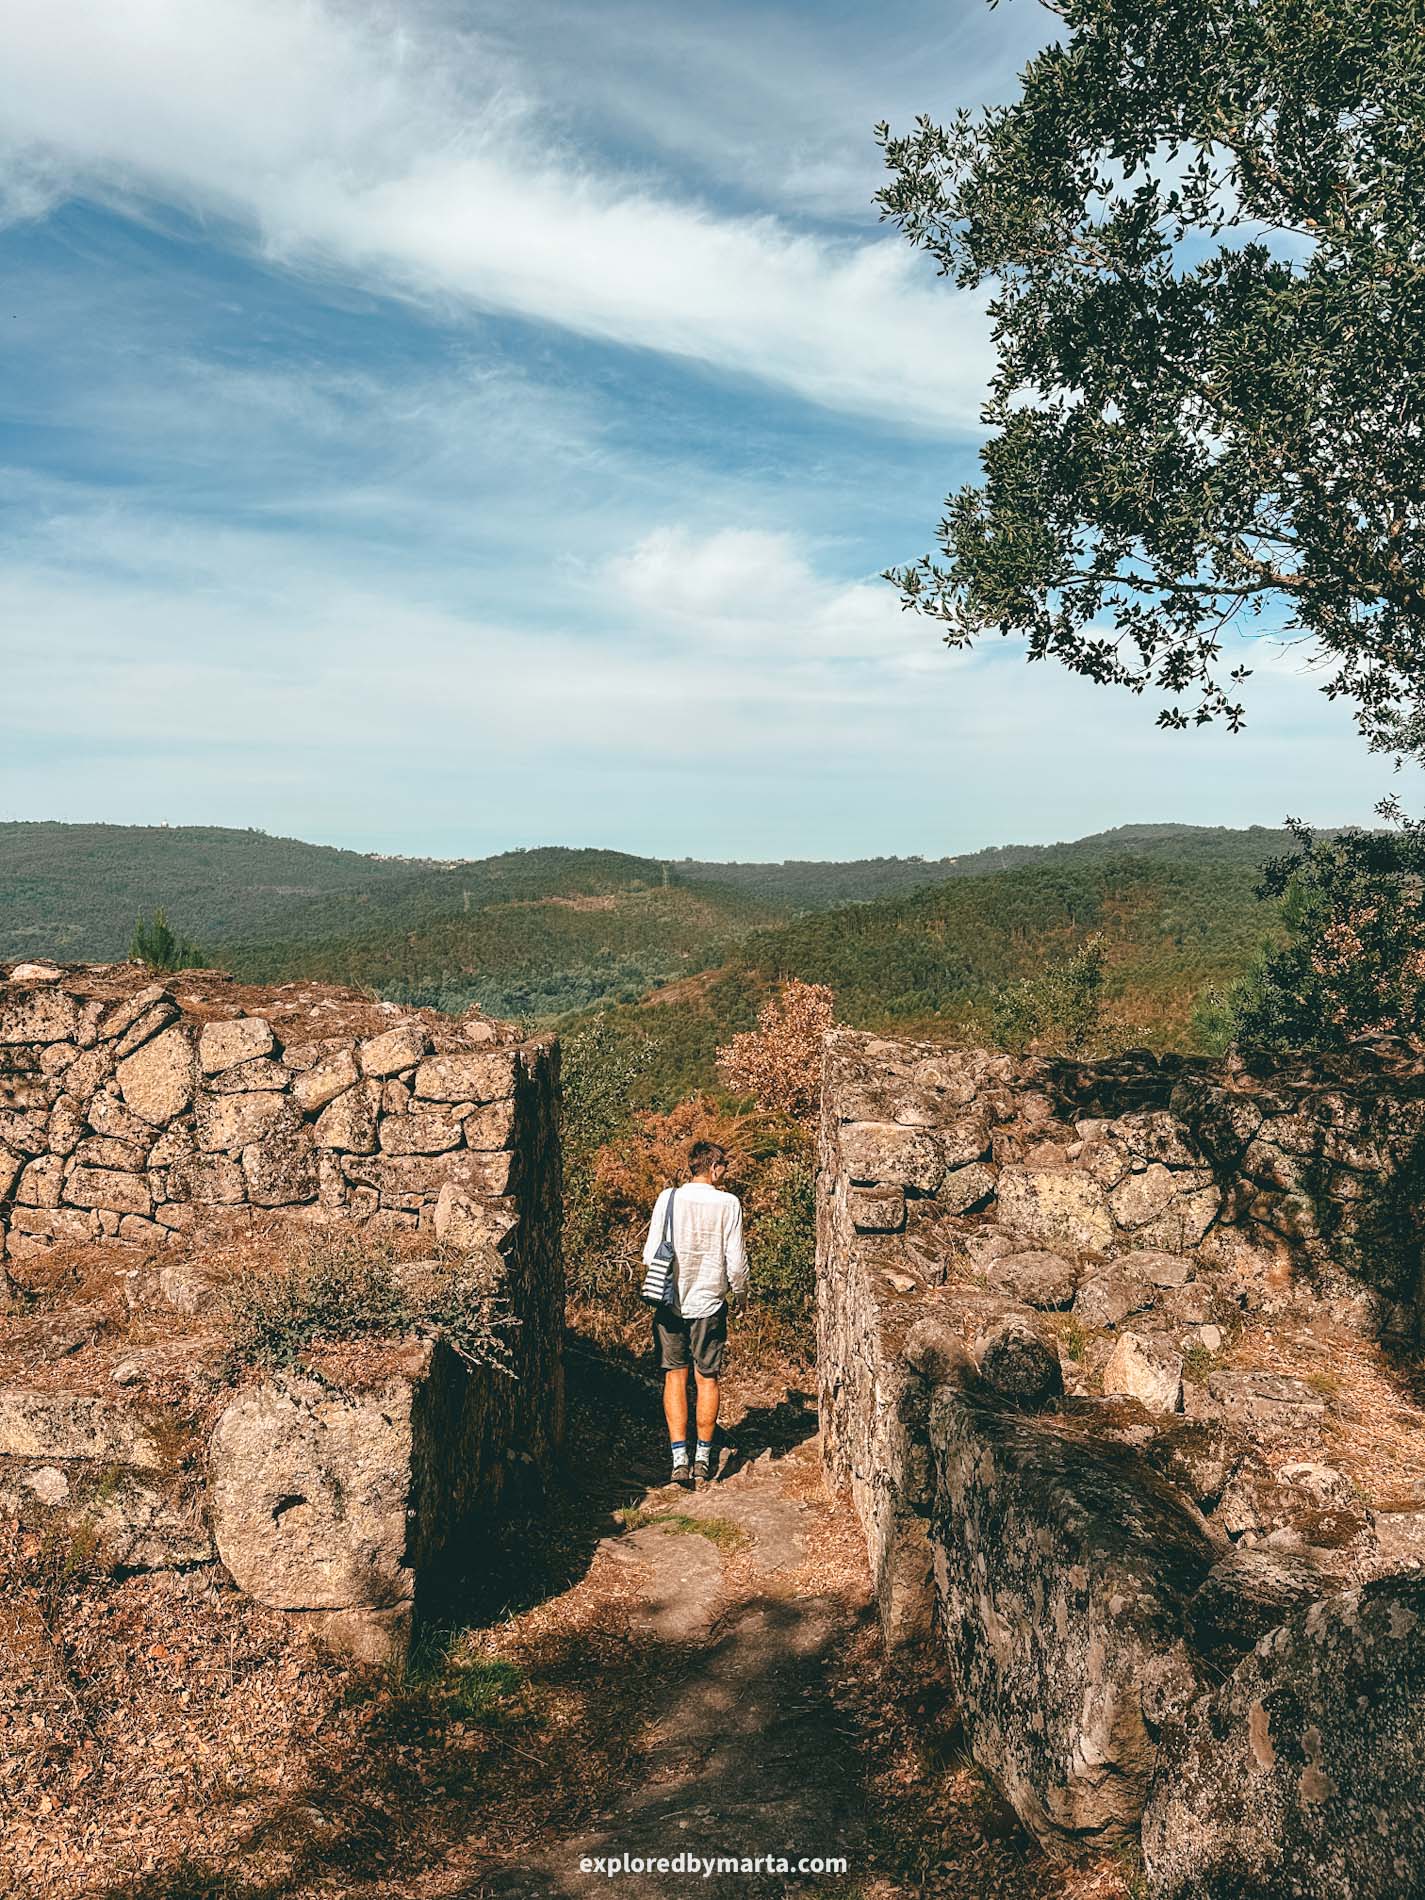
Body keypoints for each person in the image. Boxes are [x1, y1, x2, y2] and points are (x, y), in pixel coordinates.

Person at [642, 1139, 748, 1488]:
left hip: (670, 1301)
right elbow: (735, 1260)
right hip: (710, 1303)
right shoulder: (728, 1203)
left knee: (674, 1377)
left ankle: (678, 1461)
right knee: (707, 1378)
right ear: (715, 1167)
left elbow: (649, 1254)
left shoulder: (667, 1198)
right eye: (724, 1168)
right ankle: (704, 1457)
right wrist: (741, 1294)